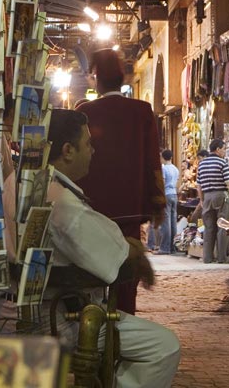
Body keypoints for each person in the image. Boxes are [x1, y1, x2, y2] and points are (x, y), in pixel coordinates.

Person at [45, 108, 181, 386]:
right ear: (68, 150)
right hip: (58, 320)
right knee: (164, 346)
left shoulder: (24, 183)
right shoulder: (62, 203)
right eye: (88, 144)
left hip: (37, 310)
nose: (93, 151)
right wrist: (134, 251)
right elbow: (116, 259)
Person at [77, 49, 165, 314]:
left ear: (96, 78)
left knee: (92, 267)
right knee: (127, 268)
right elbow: (153, 159)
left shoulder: (85, 111)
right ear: (123, 78)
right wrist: (156, 199)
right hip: (130, 207)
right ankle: (125, 319)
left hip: (92, 207)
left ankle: (94, 322)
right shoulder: (142, 111)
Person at [196, 138, 229, 264]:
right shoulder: (222, 162)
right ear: (217, 149)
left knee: (209, 227)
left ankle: (207, 257)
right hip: (221, 195)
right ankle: (222, 257)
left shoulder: (201, 164)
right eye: (223, 149)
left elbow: (199, 185)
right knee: (223, 225)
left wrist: (201, 199)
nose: (224, 152)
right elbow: (228, 182)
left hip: (207, 197)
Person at [156, 149, 180, 254]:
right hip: (174, 194)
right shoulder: (175, 169)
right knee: (173, 222)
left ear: (163, 158)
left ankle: (165, 248)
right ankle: (173, 247)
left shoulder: (164, 169)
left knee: (166, 222)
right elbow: (177, 183)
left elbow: (163, 183)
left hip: (166, 194)